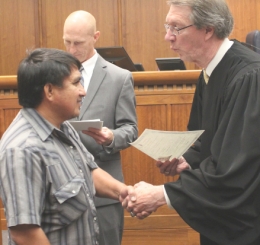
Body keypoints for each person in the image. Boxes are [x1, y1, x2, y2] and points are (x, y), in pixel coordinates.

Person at [122, 0, 260, 245]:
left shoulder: (249, 77)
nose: (168, 37)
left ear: (208, 29)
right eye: (167, 27)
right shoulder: (208, 73)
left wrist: (161, 195)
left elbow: (236, 172)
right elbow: (210, 144)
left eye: (176, 28)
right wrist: (189, 160)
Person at [0, 48, 135, 245]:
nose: (83, 91)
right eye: (75, 83)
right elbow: (25, 233)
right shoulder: (22, 151)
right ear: (50, 91)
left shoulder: (62, 125)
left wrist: (125, 193)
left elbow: (88, 172)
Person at [62, 10, 138, 245]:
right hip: (62, 189)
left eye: (78, 43)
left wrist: (111, 136)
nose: (71, 49)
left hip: (103, 191)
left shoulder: (119, 77)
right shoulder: (56, 75)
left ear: (95, 37)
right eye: (67, 41)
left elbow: (130, 129)